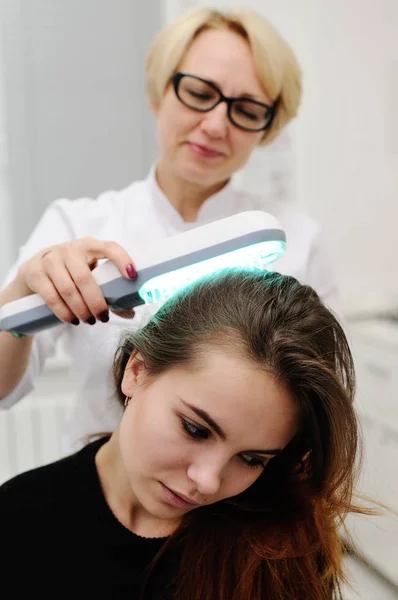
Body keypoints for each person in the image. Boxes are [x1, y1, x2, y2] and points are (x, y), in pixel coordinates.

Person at [0, 7, 339, 454]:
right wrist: (24, 291)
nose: (216, 125)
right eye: (199, 92)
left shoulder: (296, 242)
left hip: (234, 505)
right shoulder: (77, 227)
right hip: (94, 492)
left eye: (247, 109)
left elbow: (320, 415)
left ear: (267, 128)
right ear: (160, 93)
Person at [0, 269, 360, 599]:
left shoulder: (286, 551)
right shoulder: (20, 520)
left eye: (252, 459)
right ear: (136, 372)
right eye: (196, 430)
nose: (207, 482)